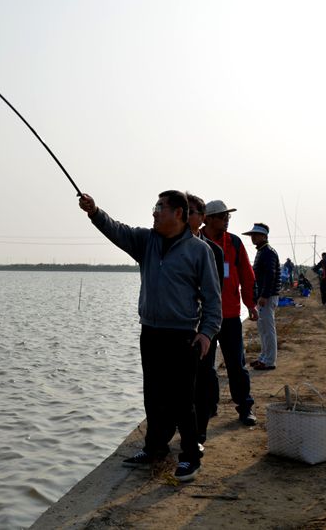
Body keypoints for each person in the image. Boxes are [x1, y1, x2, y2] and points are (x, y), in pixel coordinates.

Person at [79, 190, 221, 483]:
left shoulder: (199, 251)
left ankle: (190, 457)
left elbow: (212, 300)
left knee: (183, 401)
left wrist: (206, 334)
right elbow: (116, 230)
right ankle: (154, 448)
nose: (154, 212)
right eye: (155, 207)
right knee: (154, 396)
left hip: (183, 336)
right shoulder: (146, 241)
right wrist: (94, 211)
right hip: (151, 332)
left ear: (178, 213)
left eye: (160, 207)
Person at [200, 200, 258, 425]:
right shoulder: (195, 240)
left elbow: (247, 275)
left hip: (230, 315)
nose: (226, 220)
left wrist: (250, 304)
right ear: (208, 219)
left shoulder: (234, 242)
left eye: (228, 217)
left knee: (237, 365)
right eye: (222, 216)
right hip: (203, 317)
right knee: (205, 367)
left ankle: (245, 407)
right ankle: (208, 407)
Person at [186, 194, 224, 447]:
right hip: (179, 328)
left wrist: (207, 330)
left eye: (190, 211)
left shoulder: (212, 251)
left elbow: (214, 294)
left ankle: (199, 434)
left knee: (204, 377)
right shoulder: (169, 245)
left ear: (201, 218)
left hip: (203, 327)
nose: (184, 215)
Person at [243, 223, 281, 370]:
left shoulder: (268, 252)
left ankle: (269, 360)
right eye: (252, 235)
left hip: (267, 296)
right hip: (263, 295)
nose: (253, 237)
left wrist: (264, 295)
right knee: (263, 329)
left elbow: (270, 275)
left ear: (264, 236)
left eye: (256, 235)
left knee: (268, 329)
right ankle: (264, 357)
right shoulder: (262, 251)